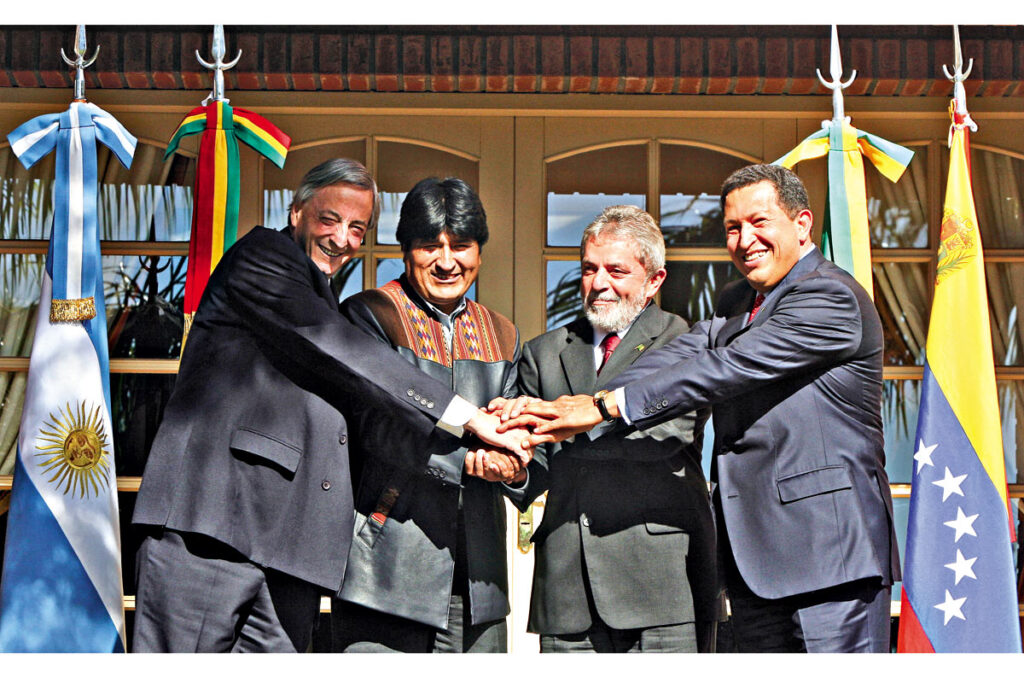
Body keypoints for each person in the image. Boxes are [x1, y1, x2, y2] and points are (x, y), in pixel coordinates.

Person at [130, 159, 530, 653]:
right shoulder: (263, 256)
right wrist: (467, 418)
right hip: (214, 530)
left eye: (357, 227)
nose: (342, 237)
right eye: (329, 219)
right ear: (296, 212)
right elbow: (337, 348)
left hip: (288, 552)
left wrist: (515, 456)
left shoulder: (496, 332)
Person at [502, 164, 900, 653]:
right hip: (755, 568)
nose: (744, 239)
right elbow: (689, 351)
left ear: (802, 224)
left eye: (759, 222)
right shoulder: (739, 300)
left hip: (827, 562)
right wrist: (589, 400)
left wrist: (604, 406)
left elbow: (724, 367)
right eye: (733, 228)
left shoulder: (829, 295)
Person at [495, 206, 718, 653]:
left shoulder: (684, 343)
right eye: (589, 269)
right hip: (567, 590)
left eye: (616, 270)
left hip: (660, 587)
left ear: (654, 280)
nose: (599, 283)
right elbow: (536, 466)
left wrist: (560, 424)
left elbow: (666, 435)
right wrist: (511, 463)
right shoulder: (544, 352)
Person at [330, 177, 524, 653]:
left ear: (479, 251)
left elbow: (523, 433)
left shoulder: (504, 333)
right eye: (428, 246)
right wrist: (475, 459)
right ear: (404, 250)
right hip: (385, 575)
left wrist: (516, 467)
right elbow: (377, 426)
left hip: (480, 585)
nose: (446, 261)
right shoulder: (370, 315)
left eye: (461, 245)